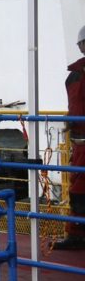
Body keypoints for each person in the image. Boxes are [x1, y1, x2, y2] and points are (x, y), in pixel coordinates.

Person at [57, 25, 85, 250]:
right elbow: (74, 105)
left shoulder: (74, 75)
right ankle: (76, 234)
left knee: (78, 188)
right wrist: (70, 119)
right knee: (77, 188)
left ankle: (77, 234)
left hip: (80, 142)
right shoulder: (74, 75)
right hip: (78, 143)